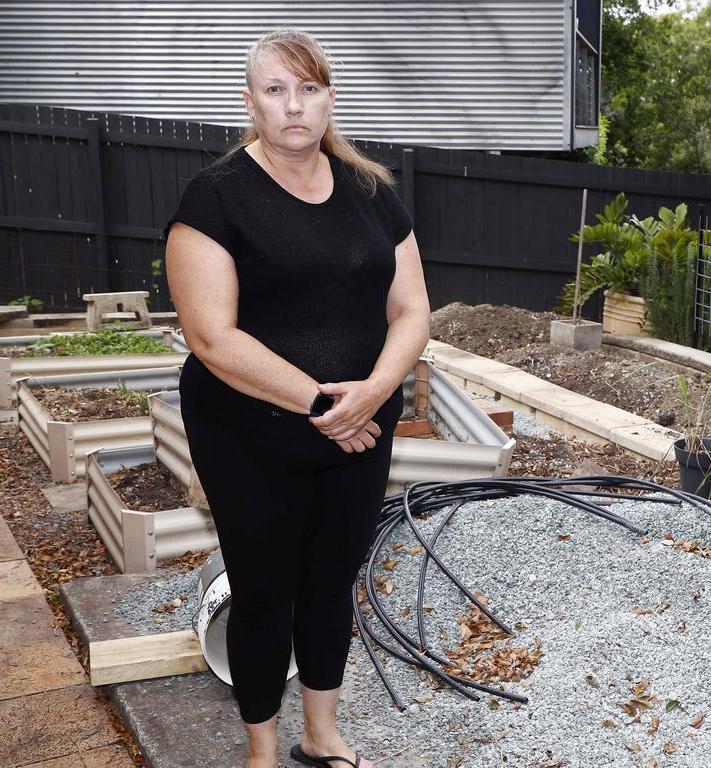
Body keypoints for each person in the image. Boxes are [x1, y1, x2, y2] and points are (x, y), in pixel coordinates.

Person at [164, 28, 430, 768]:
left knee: (331, 582)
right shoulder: (214, 198)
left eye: (308, 89)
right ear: (250, 101)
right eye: (276, 90)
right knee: (262, 591)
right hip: (248, 432)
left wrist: (374, 393)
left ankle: (321, 735)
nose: (293, 106)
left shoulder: (372, 192)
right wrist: (324, 408)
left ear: (329, 99)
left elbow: (412, 310)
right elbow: (211, 337)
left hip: (359, 433)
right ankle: (262, 753)